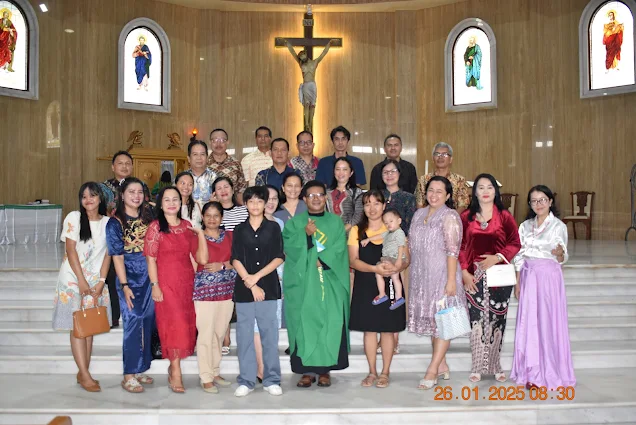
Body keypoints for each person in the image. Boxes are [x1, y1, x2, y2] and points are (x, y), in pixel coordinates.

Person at [283, 180, 350, 388]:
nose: (316, 199)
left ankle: (324, 371)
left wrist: (323, 259)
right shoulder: (295, 223)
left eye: (320, 195)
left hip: (329, 281)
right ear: (304, 199)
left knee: (329, 322)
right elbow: (289, 248)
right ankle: (306, 371)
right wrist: (305, 234)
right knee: (305, 323)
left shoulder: (335, 222)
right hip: (304, 283)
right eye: (311, 195)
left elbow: (339, 248)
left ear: (325, 197)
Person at [144, 186, 208, 393]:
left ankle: (174, 367)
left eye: (175, 199)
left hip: (186, 283)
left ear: (181, 203)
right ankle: (175, 370)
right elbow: (150, 259)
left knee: (186, 325)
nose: (171, 203)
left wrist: (200, 234)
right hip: (165, 283)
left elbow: (196, 257)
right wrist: (155, 285)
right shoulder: (155, 227)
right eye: (167, 199)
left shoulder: (187, 226)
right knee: (173, 326)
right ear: (160, 204)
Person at [511, 185, 575, 390]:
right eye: (534, 201)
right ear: (530, 204)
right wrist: (518, 281)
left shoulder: (558, 226)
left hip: (548, 278)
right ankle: (530, 372)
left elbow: (563, 254)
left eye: (542, 200)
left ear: (550, 201)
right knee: (529, 323)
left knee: (547, 324)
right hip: (529, 277)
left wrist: (559, 253)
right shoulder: (524, 226)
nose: (538, 204)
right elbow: (519, 255)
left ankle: (549, 371)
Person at [459, 173, 521, 383]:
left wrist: (498, 257)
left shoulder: (504, 216)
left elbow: (515, 243)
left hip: (499, 275)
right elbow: (461, 246)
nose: (485, 191)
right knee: (476, 320)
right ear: (475, 192)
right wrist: (464, 272)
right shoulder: (466, 217)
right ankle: (477, 366)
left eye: (489, 187)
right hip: (473, 276)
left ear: (496, 191)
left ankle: (495, 365)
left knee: (497, 320)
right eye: (481, 187)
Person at [52, 182, 111, 393]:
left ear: (100, 198)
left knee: (89, 326)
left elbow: (108, 255)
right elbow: (70, 250)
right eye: (84, 196)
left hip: (95, 281)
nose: (88, 200)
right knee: (77, 326)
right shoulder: (74, 217)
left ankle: (83, 372)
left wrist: (101, 281)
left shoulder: (108, 223)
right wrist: (81, 280)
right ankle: (84, 374)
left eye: (92, 195)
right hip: (73, 279)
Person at [408, 176, 466, 390]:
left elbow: (453, 251)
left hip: (443, 275)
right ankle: (442, 365)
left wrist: (451, 281)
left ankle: (432, 370)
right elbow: (411, 245)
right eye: (431, 190)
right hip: (422, 277)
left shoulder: (450, 216)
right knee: (434, 322)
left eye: (439, 191)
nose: (434, 195)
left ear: (448, 195)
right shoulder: (418, 214)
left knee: (443, 323)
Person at [349, 190, 409, 389]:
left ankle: (385, 372)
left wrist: (396, 267)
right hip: (366, 283)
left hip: (390, 284)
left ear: (384, 206)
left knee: (388, 330)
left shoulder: (393, 227)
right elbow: (352, 261)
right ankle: (372, 372)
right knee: (369, 330)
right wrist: (375, 269)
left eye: (376, 203)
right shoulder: (356, 230)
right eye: (367, 204)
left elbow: (406, 258)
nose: (372, 208)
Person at [231, 186, 284, 397]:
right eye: (251, 201)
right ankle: (247, 380)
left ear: (265, 204)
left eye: (259, 201)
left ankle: (272, 379)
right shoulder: (239, 229)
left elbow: (279, 257)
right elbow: (235, 258)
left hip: (268, 288)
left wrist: (257, 278)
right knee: (244, 336)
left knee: (269, 336)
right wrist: (251, 283)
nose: (255, 205)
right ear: (245, 204)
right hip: (245, 290)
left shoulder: (273, 228)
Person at [106, 177, 155, 393]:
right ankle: (128, 374)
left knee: (148, 320)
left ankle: (140, 367)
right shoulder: (115, 222)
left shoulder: (149, 216)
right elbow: (117, 256)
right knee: (133, 320)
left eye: (139, 192)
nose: (136, 196)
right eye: (131, 192)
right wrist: (124, 285)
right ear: (122, 195)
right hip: (129, 274)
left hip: (150, 273)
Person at [194, 201, 237, 394]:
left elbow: (239, 259)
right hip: (204, 293)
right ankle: (206, 377)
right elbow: (199, 260)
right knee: (206, 334)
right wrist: (200, 235)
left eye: (216, 215)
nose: (212, 219)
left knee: (219, 333)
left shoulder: (230, 236)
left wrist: (224, 265)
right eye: (208, 215)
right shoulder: (196, 237)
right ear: (202, 217)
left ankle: (215, 371)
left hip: (227, 292)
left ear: (222, 218)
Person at [213, 176, 249, 353]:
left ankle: (245, 340)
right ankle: (224, 337)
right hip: (222, 262)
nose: (223, 190)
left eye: (226, 186)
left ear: (233, 189)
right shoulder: (213, 214)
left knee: (243, 304)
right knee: (224, 302)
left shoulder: (244, 211)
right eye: (218, 188)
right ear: (214, 193)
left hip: (243, 261)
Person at [282, 38, 336, 131]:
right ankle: (306, 124)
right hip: (306, 85)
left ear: (306, 54)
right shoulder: (301, 64)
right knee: (306, 104)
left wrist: (329, 44)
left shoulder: (315, 62)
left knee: (313, 105)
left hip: (312, 85)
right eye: (301, 58)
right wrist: (288, 44)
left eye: (303, 56)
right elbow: (293, 53)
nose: (302, 58)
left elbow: (323, 53)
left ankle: (310, 123)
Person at [362, 209, 406, 310]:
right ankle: (391, 296)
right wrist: (368, 239)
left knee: (391, 276)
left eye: (391, 221)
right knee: (387, 275)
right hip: (388, 258)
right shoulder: (389, 233)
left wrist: (399, 260)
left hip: (394, 258)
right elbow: (379, 236)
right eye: (386, 223)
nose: (388, 224)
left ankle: (390, 295)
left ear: (399, 221)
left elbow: (401, 246)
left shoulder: (399, 233)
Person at [415, 142, 470, 213]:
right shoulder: (423, 180)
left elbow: (463, 204)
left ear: (451, 159)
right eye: (437, 154)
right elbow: (419, 203)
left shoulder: (459, 180)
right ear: (433, 158)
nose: (440, 157)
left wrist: (451, 217)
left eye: (445, 154)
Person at [207, 128, 248, 204]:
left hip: (232, 208)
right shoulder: (204, 164)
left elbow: (241, 189)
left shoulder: (236, 164)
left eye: (222, 140)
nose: (218, 144)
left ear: (227, 142)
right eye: (215, 140)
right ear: (210, 142)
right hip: (209, 208)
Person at [326, 157, 364, 234]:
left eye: (345, 169)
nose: (341, 173)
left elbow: (358, 216)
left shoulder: (357, 192)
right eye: (338, 169)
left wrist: (342, 231)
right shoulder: (327, 192)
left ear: (351, 173)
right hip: (329, 233)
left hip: (350, 235)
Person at [380, 160, 416, 235]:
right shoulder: (376, 196)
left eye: (393, 171)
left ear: (399, 173)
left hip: (400, 239)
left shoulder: (409, 198)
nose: (389, 175)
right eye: (385, 172)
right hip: (376, 237)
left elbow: (410, 225)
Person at [186, 140, 218, 210]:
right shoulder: (182, 178)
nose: (199, 158)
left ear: (207, 158)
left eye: (202, 154)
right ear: (188, 158)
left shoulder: (215, 178)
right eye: (195, 154)